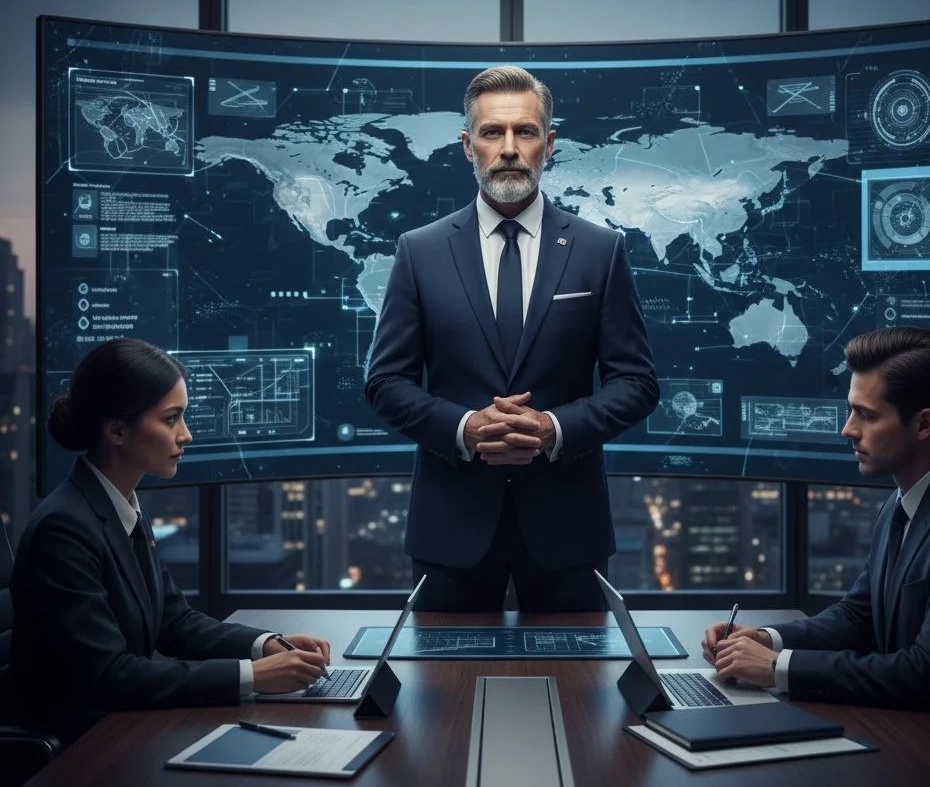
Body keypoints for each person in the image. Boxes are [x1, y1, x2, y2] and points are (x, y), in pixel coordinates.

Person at [364, 65, 659, 611]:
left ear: (549, 145)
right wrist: (465, 427)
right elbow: (384, 382)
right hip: (450, 526)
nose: (508, 149)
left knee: (581, 692)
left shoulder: (601, 250)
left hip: (568, 526)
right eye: (491, 133)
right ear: (467, 145)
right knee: (439, 692)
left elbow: (637, 382)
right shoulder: (419, 251)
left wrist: (552, 428)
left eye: (524, 132)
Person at [702, 326, 930, 747]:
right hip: (905, 731)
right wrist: (763, 640)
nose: (848, 430)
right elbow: (858, 616)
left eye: (867, 415)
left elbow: (929, 673)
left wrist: (778, 666)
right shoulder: (904, 500)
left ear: (924, 423)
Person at [10, 338, 331, 742]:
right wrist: (253, 676)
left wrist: (265, 645)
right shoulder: (65, 528)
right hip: (79, 752)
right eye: (171, 419)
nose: (187, 435)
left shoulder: (119, 506)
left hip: (122, 728)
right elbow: (108, 676)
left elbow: (175, 622)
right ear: (116, 430)